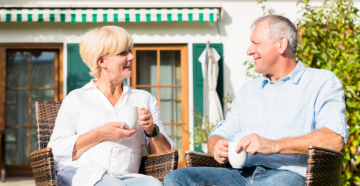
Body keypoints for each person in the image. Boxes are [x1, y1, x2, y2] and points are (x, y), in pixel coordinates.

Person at [164, 15, 348, 186]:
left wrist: (273, 145)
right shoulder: (249, 89)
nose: (249, 51)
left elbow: (334, 138)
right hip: (238, 175)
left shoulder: (321, 81)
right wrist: (217, 145)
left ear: (281, 44)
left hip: (287, 175)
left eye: (256, 43)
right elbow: (222, 131)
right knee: (178, 178)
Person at [48, 26, 176, 186]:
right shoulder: (77, 98)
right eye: (123, 53)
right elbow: (56, 150)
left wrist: (151, 130)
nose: (132, 56)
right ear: (102, 62)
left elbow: (166, 156)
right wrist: (100, 133)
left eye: (129, 51)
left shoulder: (144, 99)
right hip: (84, 176)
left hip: (127, 177)